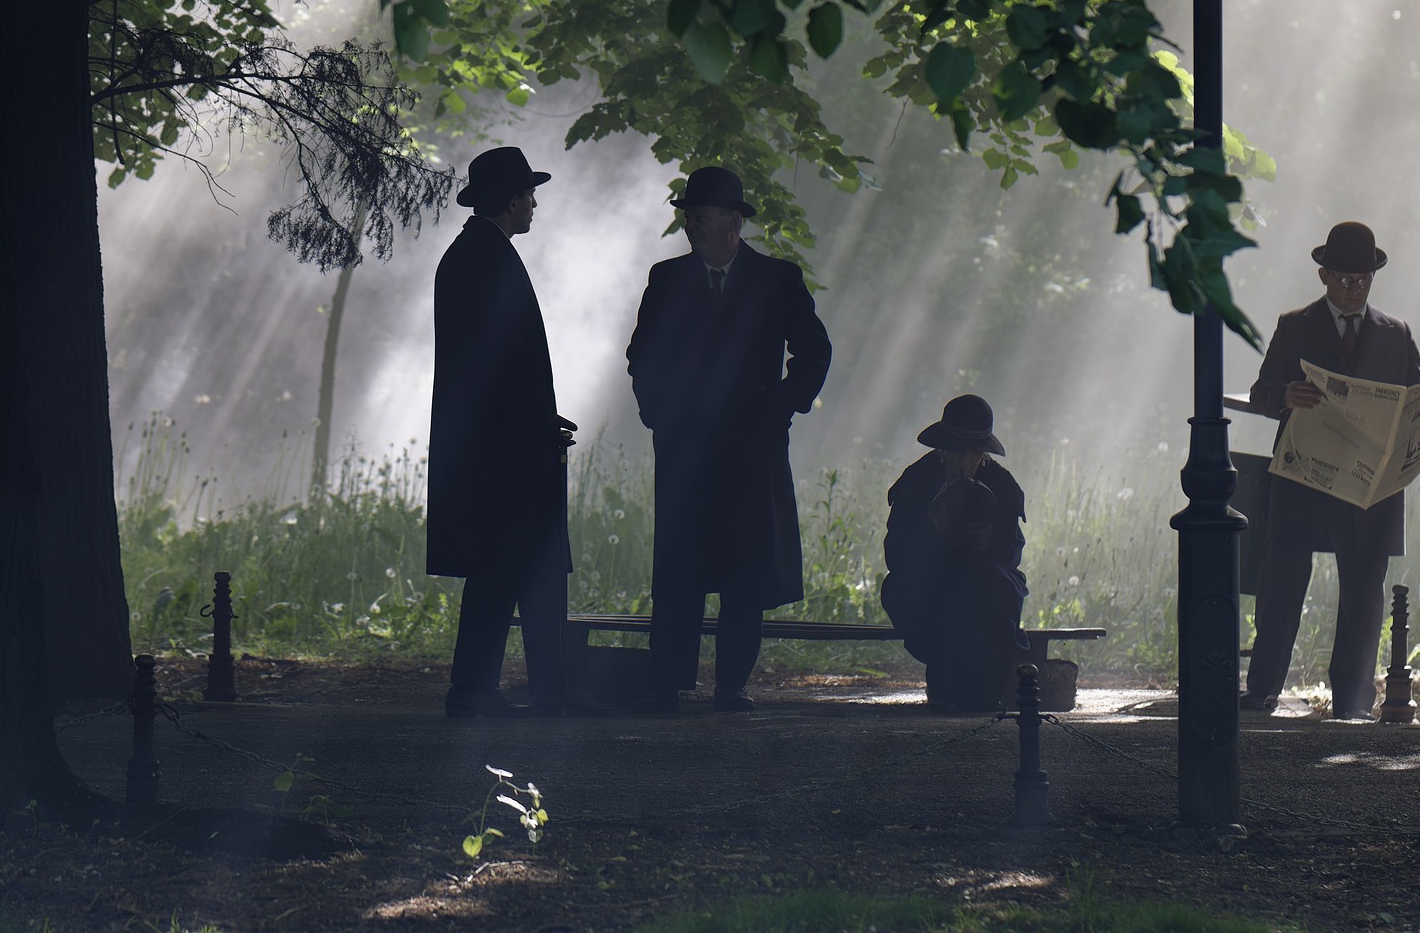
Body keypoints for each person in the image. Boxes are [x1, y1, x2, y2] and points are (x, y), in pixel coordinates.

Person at [1241, 221, 1420, 721]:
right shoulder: (1295, 324)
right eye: (1345, 279)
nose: (1354, 288)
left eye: (1363, 279)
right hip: (1304, 475)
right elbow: (1261, 391)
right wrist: (1284, 396)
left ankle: (1353, 699)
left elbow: (1417, 397)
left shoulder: (1395, 332)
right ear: (1323, 275)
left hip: (1369, 483)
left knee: (1365, 592)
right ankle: (1262, 690)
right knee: (1282, 578)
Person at [626, 166, 831, 713]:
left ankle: (731, 683)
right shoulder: (666, 279)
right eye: (689, 217)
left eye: (700, 217)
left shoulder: (776, 279)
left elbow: (814, 351)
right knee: (679, 568)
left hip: (750, 450)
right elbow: (643, 355)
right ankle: (667, 683)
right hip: (685, 447)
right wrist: (659, 414)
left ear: (733, 223)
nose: (691, 227)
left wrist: (781, 408)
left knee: (746, 568)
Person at [426, 146, 580, 719]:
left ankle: (488, 689)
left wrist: (541, 419)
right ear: (513, 200)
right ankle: (498, 690)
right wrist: (538, 420)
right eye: (530, 195)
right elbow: (496, 360)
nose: (535, 205)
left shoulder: (476, 254)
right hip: (503, 453)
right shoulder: (484, 259)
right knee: (508, 568)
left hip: (500, 445)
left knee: (500, 571)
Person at [880, 395, 1029, 712]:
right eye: (957, 450)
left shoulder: (1001, 485)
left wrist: (985, 545)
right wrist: (938, 541)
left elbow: (1010, 554)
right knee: (938, 589)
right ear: (943, 448)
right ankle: (946, 681)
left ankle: (986, 689)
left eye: (973, 452)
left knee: (990, 586)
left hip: (984, 580)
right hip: (926, 578)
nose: (965, 459)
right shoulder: (916, 482)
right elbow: (896, 554)